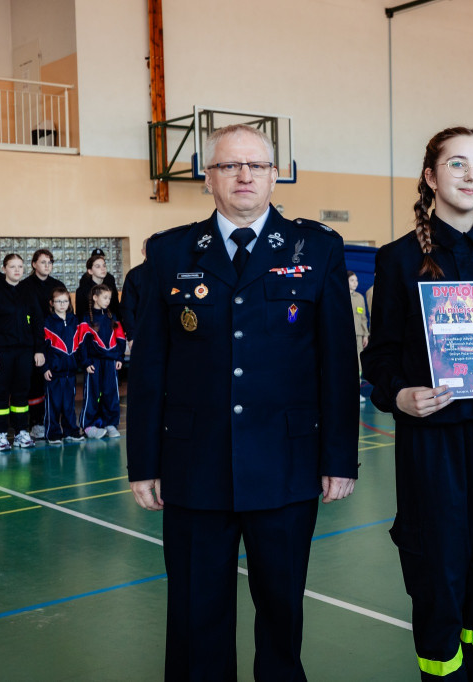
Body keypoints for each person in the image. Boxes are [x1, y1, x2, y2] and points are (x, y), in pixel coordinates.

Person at [127, 123, 359, 680]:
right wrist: (144, 464)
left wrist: (338, 459)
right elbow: (150, 366)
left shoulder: (318, 248)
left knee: (281, 611)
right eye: (230, 166)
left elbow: (338, 362)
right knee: (194, 612)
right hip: (193, 464)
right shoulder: (168, 252)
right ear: (209, 178)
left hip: (286, 464)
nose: (244, 176)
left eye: (256, 165)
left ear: (275, 176)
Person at [361, 127, 473, 680]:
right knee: (437, 578)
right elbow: (379, 358)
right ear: (430, 176)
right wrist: (399, 395)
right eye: (458, 164)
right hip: (432, 443)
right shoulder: (397, 261)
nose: (471, 175)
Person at [0, 254, 45, 452]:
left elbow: (37, 323)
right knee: (0, 392)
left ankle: (20, 432)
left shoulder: (28, 291)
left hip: (24, 351)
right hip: (1, 352)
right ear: (4, 268)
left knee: (21, 393)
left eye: (20, 266)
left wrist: (39, 350)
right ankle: (0, 434)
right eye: (12, 266)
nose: (17, 270)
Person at [21, 249, 67, 440]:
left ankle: (55, 420)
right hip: (33, 339)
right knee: (35, 382)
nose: (46, 265)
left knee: (55, 380)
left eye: (49, 262)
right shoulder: (25, 286)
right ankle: (36, 422)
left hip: (55, 339)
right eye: (42, 262)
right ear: (33, 264)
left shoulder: (57, 285)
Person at [75, 284, 124, 439]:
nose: (108, 301)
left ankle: (110, 423)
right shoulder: (86, 319)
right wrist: (86, 362)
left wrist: (118, 357)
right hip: (94, 363)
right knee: (92, 394)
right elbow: (81, 343)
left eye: (109, 298)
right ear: (95, 298)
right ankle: (89, 426)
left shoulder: (112, 317)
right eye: (105, 297)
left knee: (111, 393)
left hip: (110, 362)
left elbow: (120, 338)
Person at [42, 287, 84, 444]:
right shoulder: (47, 322)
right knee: (53, 404)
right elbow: (44, 348)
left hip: (70, 371)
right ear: (52, 303)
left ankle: (71, 430)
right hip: (54, 372)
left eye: (65, 301)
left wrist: (82, 362)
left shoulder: (75, 320)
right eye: (58, 301)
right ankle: (52, 432)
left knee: (69, 404)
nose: (62, 304)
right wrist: (45, 367)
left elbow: (80, 343)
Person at [75, 251, 120, 319]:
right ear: (90, 271)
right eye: (98, 266)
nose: (103, 269)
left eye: (104, 265)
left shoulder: (110, 284)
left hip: (110, 323)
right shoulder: (82, 290)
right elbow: (80, 315)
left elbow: (115, 307)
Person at [119, 241, 147, 342]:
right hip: (142, 332)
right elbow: (127, 307)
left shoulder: (166, 272)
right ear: (143, 252)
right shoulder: (134, 275)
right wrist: (131, 336)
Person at [349, 270, 369, 403]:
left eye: (356, 280)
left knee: (359, 366)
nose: (355, 283)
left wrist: (365, 335)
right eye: (352, 280)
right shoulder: (340, 296)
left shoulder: (360, 298)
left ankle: (356, 393)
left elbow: (363, 318)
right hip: (344, 336)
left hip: (358, 336)